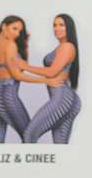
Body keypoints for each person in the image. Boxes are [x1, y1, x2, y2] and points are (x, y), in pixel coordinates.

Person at [21, 13, 80, 144]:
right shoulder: (62, 47)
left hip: (62, 98)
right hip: (65, 98)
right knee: (60, 147)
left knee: (29, 135)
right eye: (54, 25)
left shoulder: (67, 47)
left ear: (69, 27)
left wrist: (25, 66)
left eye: (61, 25)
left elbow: (52, 72)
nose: (57, 28)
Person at [0, 15, 32, 144]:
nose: (17, 34)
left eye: (19, 31)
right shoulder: (10, 44)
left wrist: (25, 44)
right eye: (14, 28)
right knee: (30, 136)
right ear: (4, 26)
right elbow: (17, 75)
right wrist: (46, 81)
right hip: (7, 93)